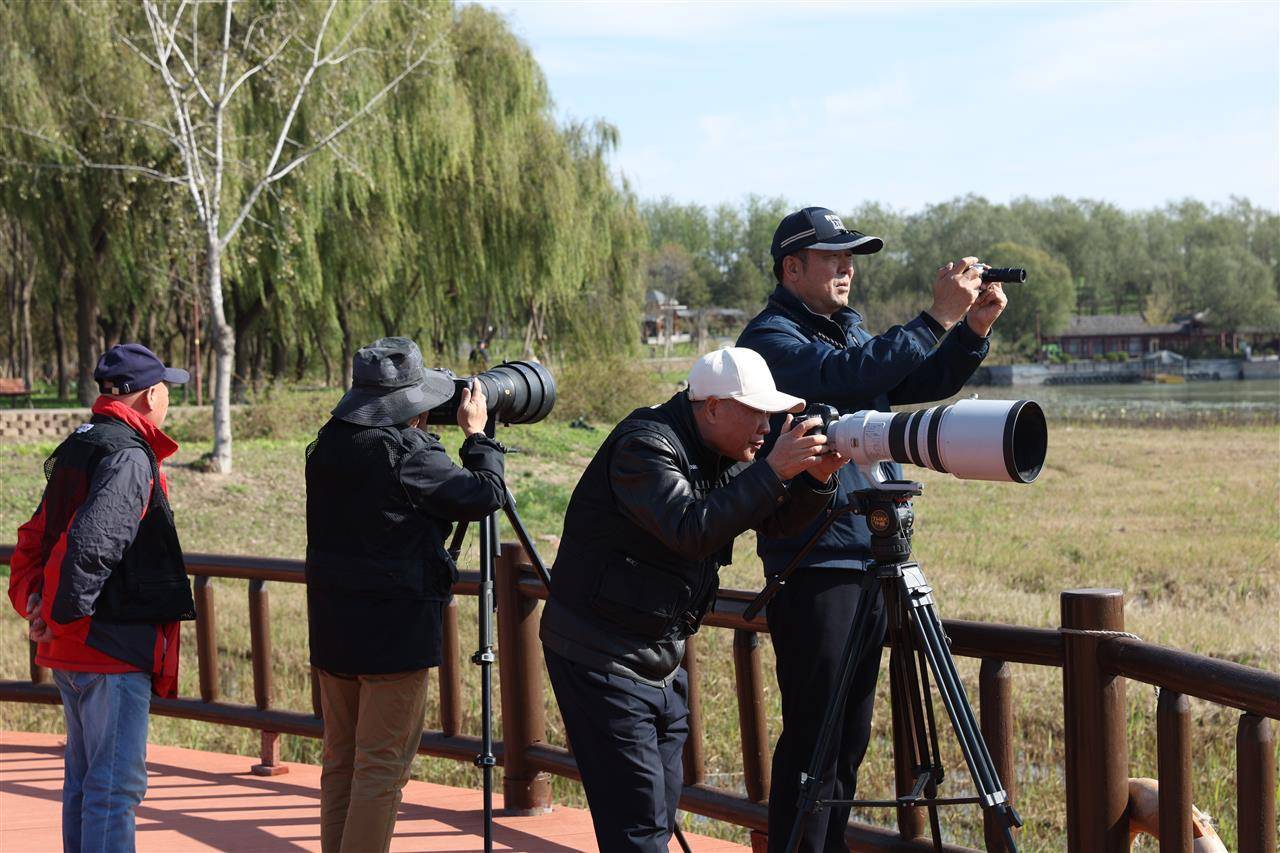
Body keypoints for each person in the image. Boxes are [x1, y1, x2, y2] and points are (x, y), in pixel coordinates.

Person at [736, 206, 1009, 852]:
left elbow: (911, 377)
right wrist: (935, 317)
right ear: (791, 268)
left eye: (851, 257)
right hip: (814, 558)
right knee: (815, 739)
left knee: (850, 739)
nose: (847, 269)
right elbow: (848, 376)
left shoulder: (846, 329)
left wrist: (970, 329)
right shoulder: (769, 340)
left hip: (869, 552)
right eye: (833, 257)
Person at [540, 347, 847, 852]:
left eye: (771, 415)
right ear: (714, 408)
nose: (767, 428)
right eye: (758, 413)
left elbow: (775, 521)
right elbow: (690, 528)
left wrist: (814, 479)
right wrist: (773, 471)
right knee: (638, 828)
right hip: (600, 654)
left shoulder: (722, 451)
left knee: (658, 812)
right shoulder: (645, 447)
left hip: (657, 653)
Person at [304, 337, 505, 853]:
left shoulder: (327, 444)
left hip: (333, 629)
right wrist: (478, 436)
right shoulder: (409, 454)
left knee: (341, 761)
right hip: (393, 638)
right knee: (382, 767)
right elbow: (485, 494)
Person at [7, 343, 195, 853]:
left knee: (85, 783)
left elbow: (37, 534)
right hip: (108, 646)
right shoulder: (128, 455)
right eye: (166, 390)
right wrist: (59, 615)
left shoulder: (82, 442)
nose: (167, 399)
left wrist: (37, 604)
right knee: (113, 790)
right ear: (151, 395)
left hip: (72, 644)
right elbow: (92, 544)